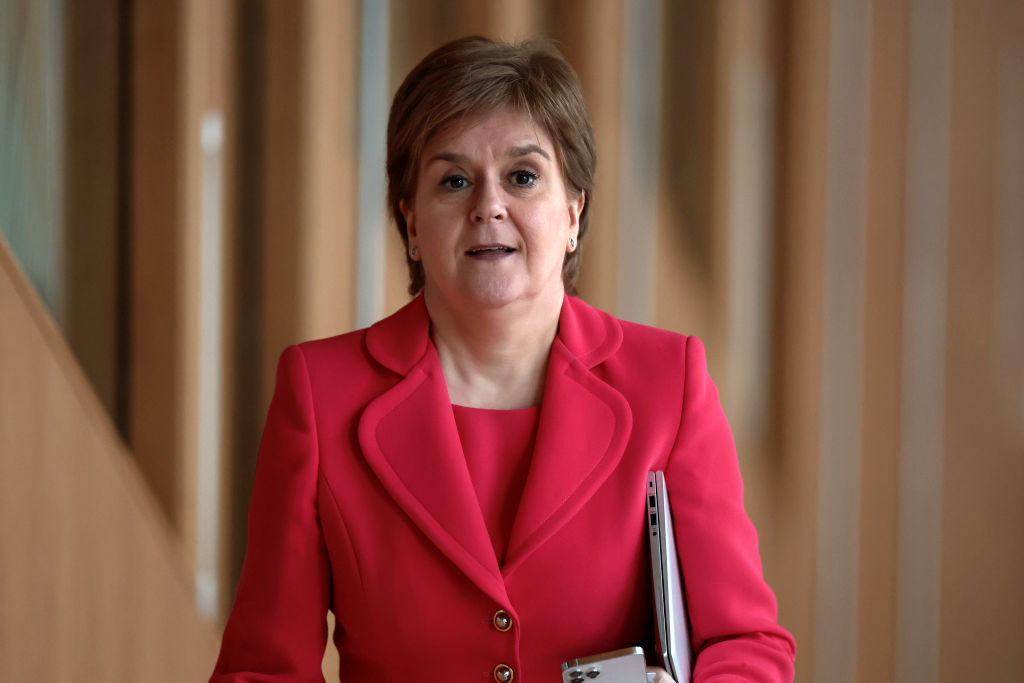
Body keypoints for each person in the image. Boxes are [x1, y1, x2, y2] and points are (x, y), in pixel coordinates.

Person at [211, 36, 795, 682]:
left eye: (522, 177)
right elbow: (261, 669)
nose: (488, 205)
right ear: (411, 223)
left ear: (573, 211)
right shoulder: (320, 393)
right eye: (454, 180)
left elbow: (746, 643)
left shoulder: (668, 383)